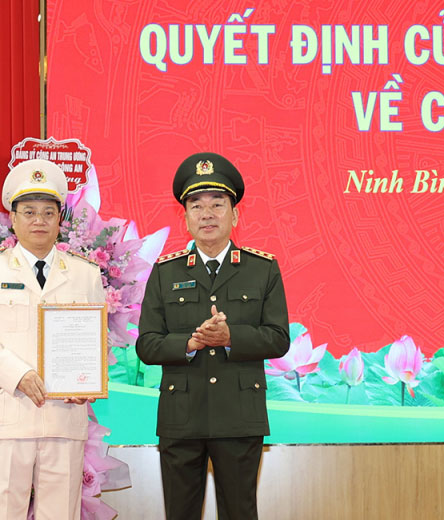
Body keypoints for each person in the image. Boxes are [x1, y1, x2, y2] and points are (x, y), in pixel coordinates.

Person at [137, 152, 290, 520]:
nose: (207, 214)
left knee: (239, 512)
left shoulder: (262, 269)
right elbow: (146, 343)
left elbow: (278, 337)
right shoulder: (164, 271)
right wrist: (190, 343)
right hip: (181, 417)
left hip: (238, 416)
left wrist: (229, 337)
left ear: (234, 215)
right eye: (196, 206)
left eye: (217, 204)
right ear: (185, 217)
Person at [0, 158, 105, 520]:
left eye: (48, 212)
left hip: (65, 414)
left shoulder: (86, 274)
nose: (39, 220)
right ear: (13, 218)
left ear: (60, 220)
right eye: (29, 212)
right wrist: (19, 374)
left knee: (61, 514)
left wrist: (87, 380)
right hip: (9, 412)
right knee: (3, 513)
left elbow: (95, 339)